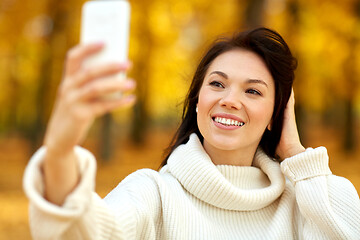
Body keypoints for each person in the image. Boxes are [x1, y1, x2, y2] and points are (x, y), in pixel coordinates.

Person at [23, 27, 360, 239]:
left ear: (277, 114)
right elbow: (88, 233)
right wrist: (60, 149)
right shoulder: (153, 194)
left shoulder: (301, 202)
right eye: (217, 84)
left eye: (253, 91)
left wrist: (297, 155)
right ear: (197, 100)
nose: (229, 100)